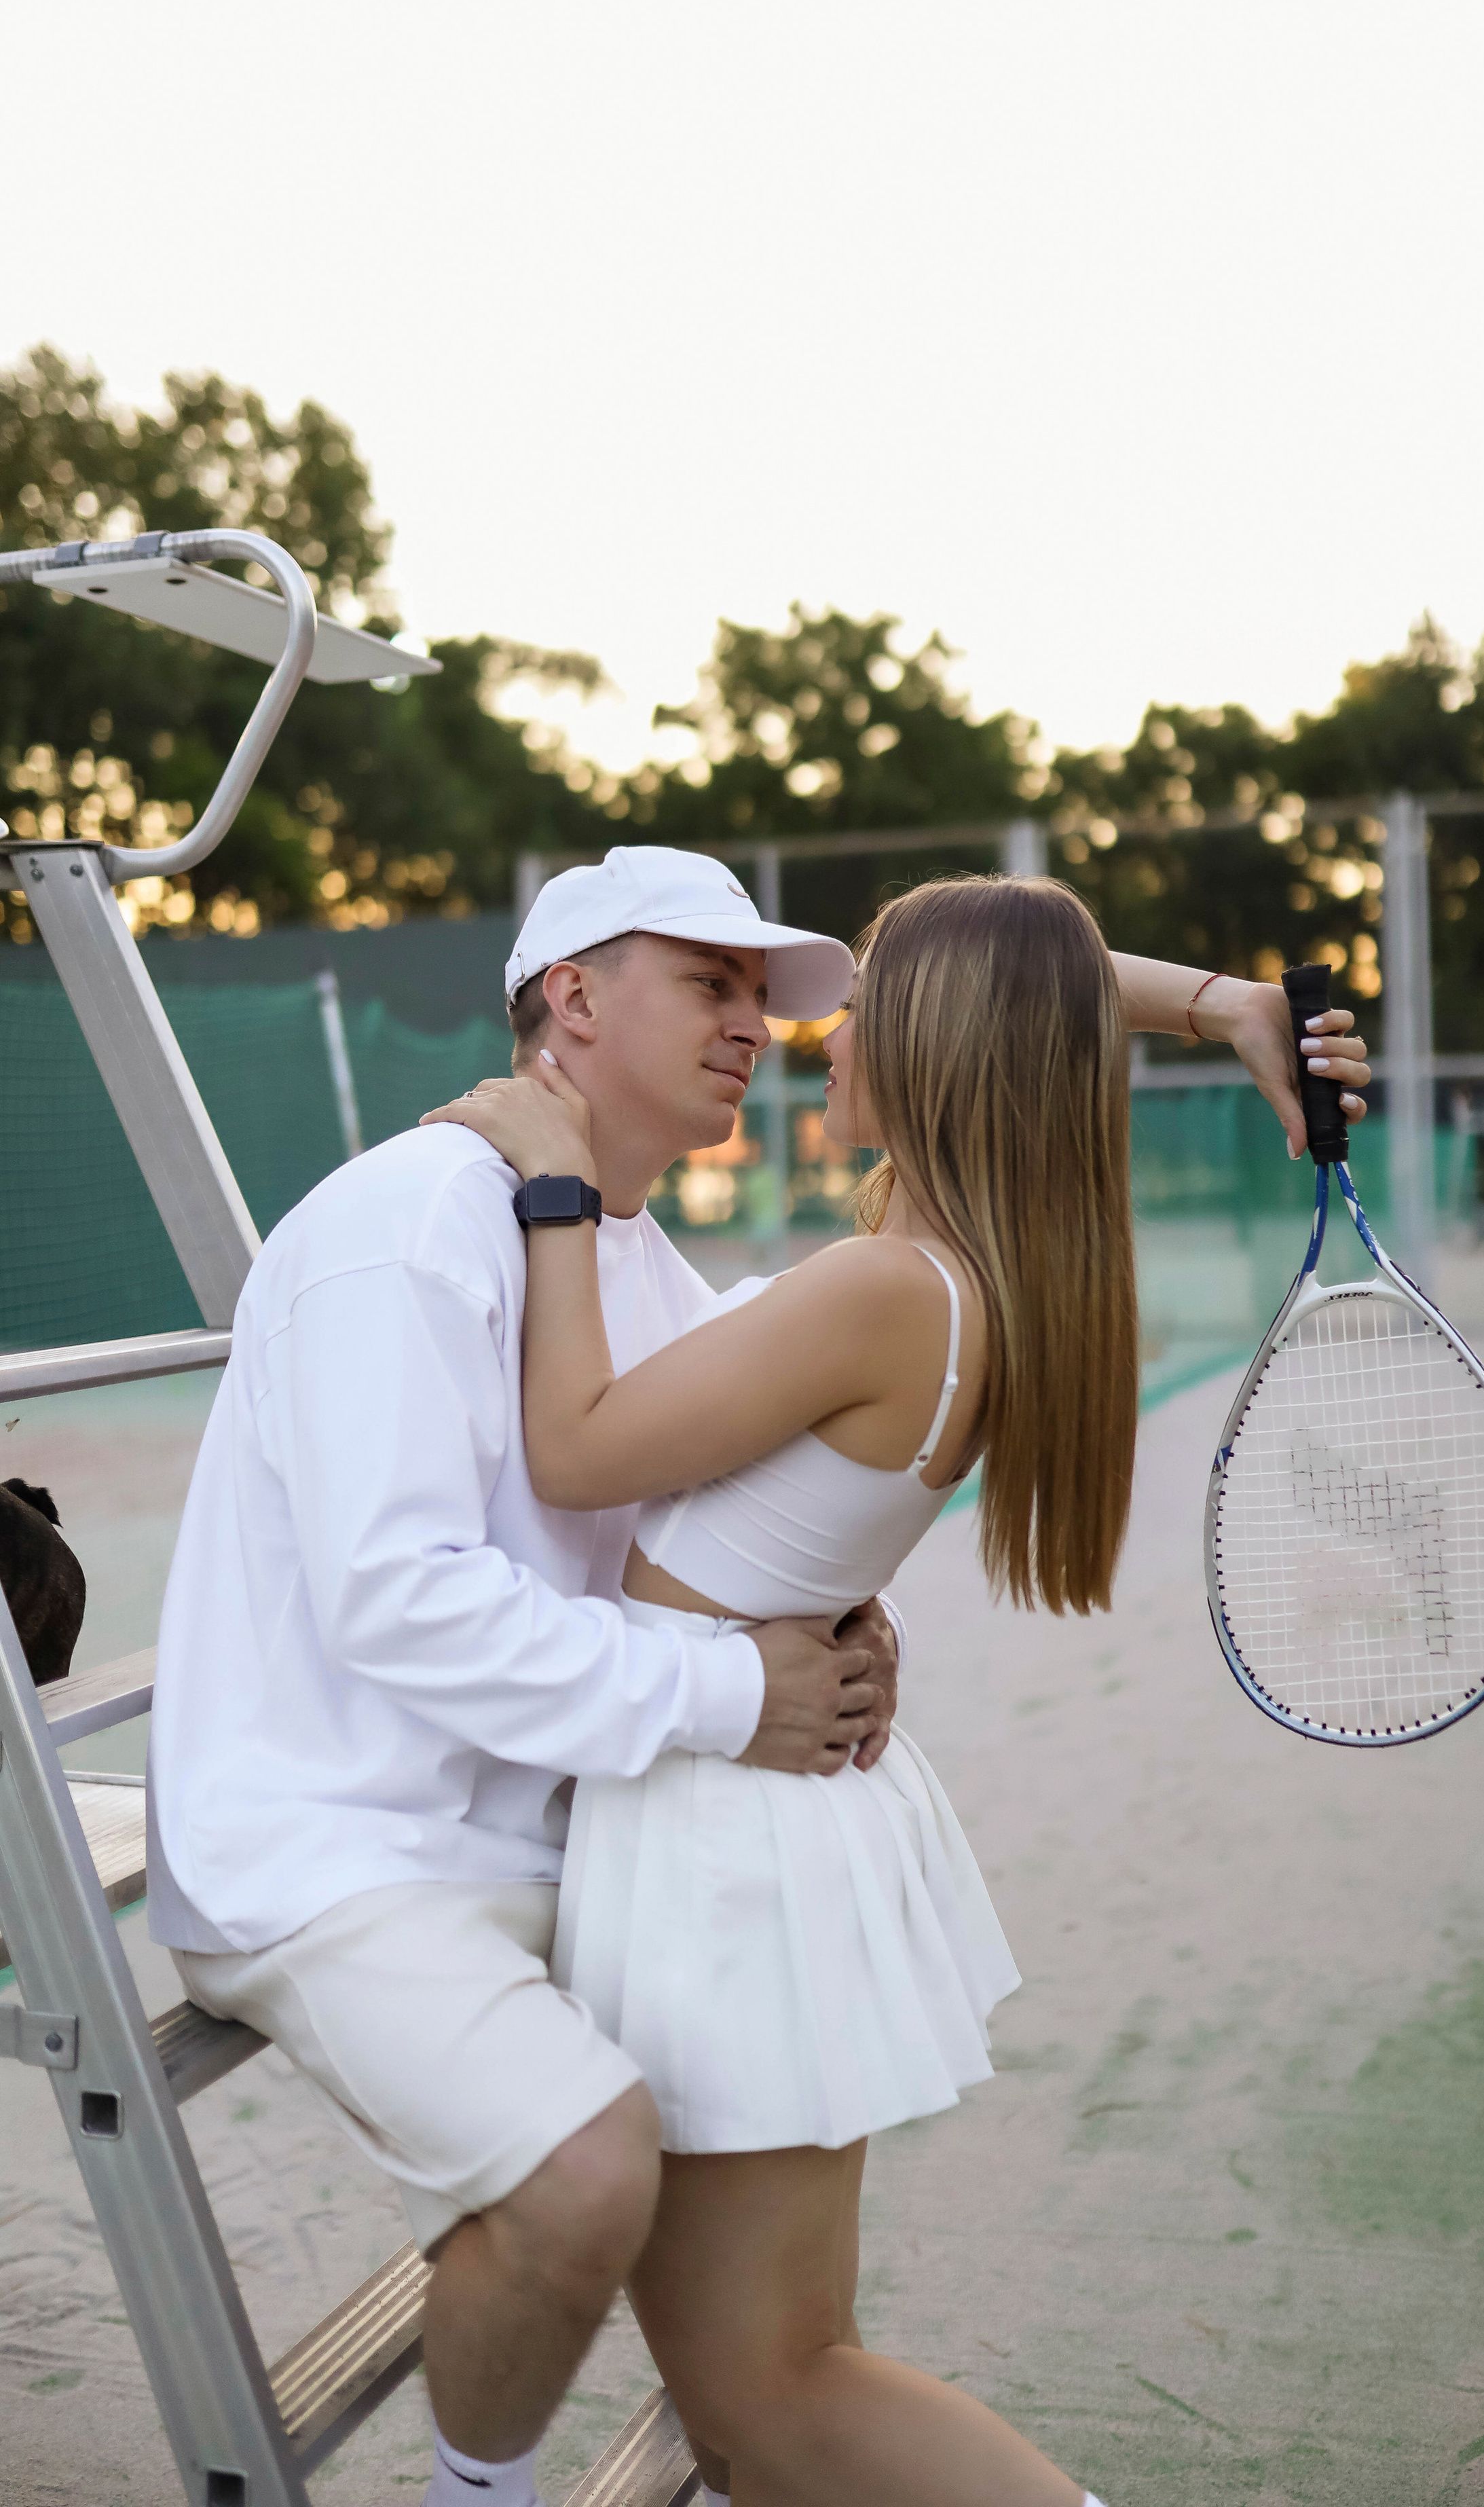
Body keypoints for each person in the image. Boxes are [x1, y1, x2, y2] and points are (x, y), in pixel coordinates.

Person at [426, 871, 1371, 2507]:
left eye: (861, 1005)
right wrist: (1222, 1004)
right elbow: (1039, 984)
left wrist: (554, 1183)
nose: (819, 1032)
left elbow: (573, 1448)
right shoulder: (955, 1273)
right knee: (771, 2395)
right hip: (749, 1817)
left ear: (936, 1042)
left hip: (727, 1841)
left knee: (773, 2398)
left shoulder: (885, 1287)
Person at [147, 848, 906, 2507]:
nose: (752, 1025)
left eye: (760, 997)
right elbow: (401, 1601)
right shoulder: (409, 1222)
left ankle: (777, 2411)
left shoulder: (628, 1254)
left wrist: (841, 1624)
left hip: (555, 1830)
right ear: (572, 995)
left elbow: (714, 1520)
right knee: (582, 2173)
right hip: (334, 1845)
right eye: (707, 983)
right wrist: (734, 1695)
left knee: (781, 2119)